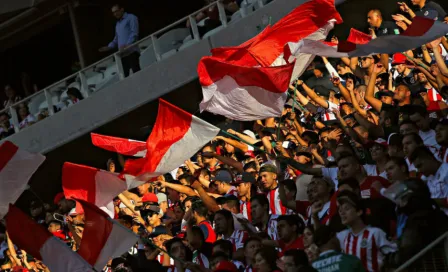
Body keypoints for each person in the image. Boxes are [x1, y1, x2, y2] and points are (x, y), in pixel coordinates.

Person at [336, 191, 397, 272]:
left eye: (346, 208)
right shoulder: (344, 237)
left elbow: (394, 256)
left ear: (359, 212)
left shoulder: (375, 233)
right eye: (340, 210)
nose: (342, 213)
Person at [99, 3, 140, 77]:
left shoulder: (131, 17)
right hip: (122, 54)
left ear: (122, 9)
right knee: (125, 77)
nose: (115, 14)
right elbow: (116, 39)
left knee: (137, 74)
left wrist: (126, 45)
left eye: (116, 11)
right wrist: (109, 47)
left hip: (132, 52)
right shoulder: (118, 24)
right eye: (113, 12)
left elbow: (134, 33)